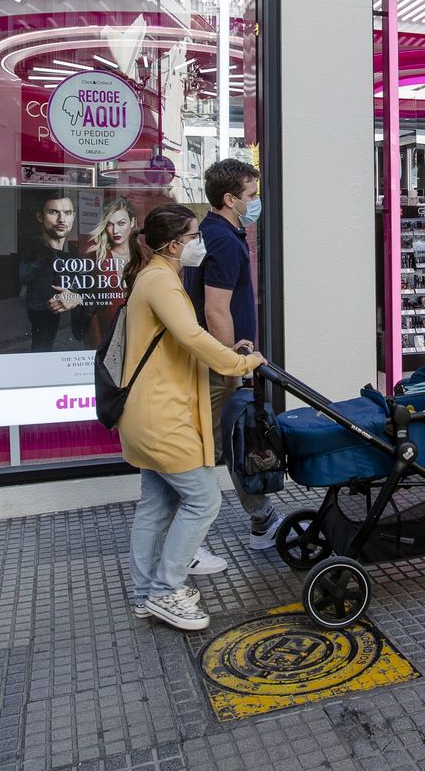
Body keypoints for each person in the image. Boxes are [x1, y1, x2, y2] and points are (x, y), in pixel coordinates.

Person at [117, 203, 265, 632]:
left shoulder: (156, 277)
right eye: (193, 236)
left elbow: (180, 343)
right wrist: (241, 363)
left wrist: (228, 351)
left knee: (157, 505)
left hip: (150, 411)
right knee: (204, 500)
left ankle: (146, 595)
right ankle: (166, 589)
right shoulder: (160, 281)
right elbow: (192, 335)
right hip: (163, 415)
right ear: (173, 244)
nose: (200, 243)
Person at [184, 158, 282, 552]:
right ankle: (187, 543)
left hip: (220, 358)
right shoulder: (223, 240)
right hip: (218, 362)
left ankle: (263, 519)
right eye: (251, 195)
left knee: (231, 441)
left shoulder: (213, 232)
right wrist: (230, 367)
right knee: (213, 447)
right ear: (230, 199)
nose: (255, 202)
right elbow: (215, 311)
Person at [18, 193, 79, 351]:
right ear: (40, 216)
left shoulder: (74, 253)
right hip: (38, 314)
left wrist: (77, 297)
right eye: (53, 212)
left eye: (67, 213)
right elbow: (22, 279)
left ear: (73, 216)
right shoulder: (33, 249)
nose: (62, 219)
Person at [82, 198, 135, 347]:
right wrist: (97, 342)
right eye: (110, 224)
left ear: (132, 222)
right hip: (107, 332)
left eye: (121, 223)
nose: (115, 230)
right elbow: (90, 304)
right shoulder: (97, 257)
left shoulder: (144, 256)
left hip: (138, 330)